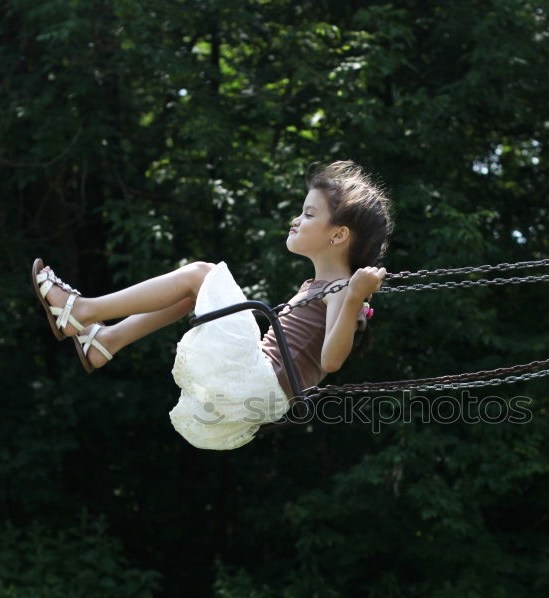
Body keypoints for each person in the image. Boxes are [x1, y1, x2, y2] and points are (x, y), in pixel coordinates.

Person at [31, 160, 391, 450]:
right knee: (196, 293)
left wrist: (356, 297)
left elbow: (331, 360)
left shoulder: (344, 289)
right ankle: (105, 342)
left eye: (309, 214)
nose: (296, 220)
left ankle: (83, 311)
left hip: (259, 380)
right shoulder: (320, 286)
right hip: (259, 387)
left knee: (202, 274)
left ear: (338, 234)